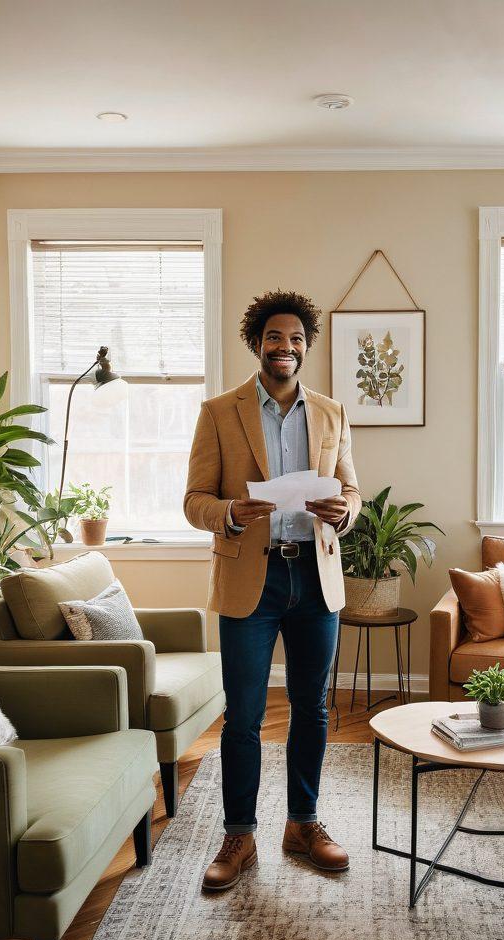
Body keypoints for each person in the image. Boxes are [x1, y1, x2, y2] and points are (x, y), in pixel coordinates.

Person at [184, 289, 361, 891]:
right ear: (256, 343)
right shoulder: (219, 411)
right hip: (248, 582)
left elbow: (354, 492)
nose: (284, 347)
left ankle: (303, 824)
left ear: (305, 347)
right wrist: (230, 511)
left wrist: (344, 511)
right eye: (274, 338)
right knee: (245, 717)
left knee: (312, 709)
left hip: (316, 575)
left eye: (295, 340)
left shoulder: (332, 412)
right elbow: (194, 502)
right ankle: (240, 834)